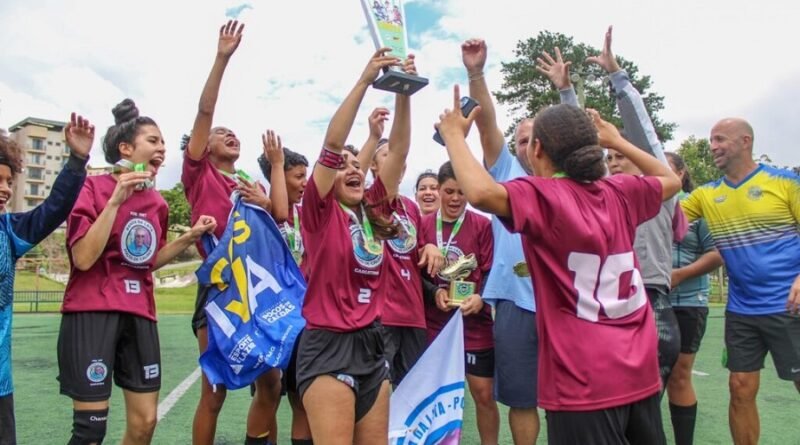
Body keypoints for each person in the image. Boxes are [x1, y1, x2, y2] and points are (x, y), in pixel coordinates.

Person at [435, 84, 681, 443]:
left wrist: (454, 136)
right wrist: (617, 141)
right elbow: (671, 179)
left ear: (537, 149)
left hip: (583, 380)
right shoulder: (621, 190)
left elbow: (482, 193)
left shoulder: (544, 195)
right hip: (638, 367)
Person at [58, 99, 217, 445]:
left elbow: (147, 261)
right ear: (126, 149)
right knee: (90, 430)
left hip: (140, 313)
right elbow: (83, 258)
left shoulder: (157, 203)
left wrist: (190, 237)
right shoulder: (93, 188)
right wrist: (116, 199)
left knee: (145, 422)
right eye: (153, 140)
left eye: (163, 143)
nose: (162, 148)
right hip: (92, 311)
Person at [297, 48, 426, 444]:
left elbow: (398, 150)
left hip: (372, 342)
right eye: (342, 166)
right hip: (327, 345)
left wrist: (404, 90)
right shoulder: (319, 214)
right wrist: (364, 81)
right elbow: (332, 144)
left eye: (357, 165)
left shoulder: (374, 211)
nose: (352, 168)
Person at [182, 21, 285, 445]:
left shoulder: (249, 183)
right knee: (214, 392)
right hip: (221, 292)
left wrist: (268, 196)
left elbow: (280, 220)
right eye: (221, 134)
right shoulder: (199, 174)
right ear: (204, 147)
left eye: (234, 132)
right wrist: (222, 58)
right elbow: (205, 113)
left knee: (271, 384)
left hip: (256, 292)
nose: (230, 135)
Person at [680, 117, 800, 445]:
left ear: (745, 141)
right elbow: (664, 218)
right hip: (742, 310)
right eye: (711, 140)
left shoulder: (785, 183)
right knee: (739, 387)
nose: (713, 147)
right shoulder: (706, 195)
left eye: (720, 139)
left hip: (789, 305)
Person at [582, 26, 684, 388]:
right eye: (608, 158)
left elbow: (645, 135)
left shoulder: (660, 191)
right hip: (608, 299)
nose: (613, 162)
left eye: (620, 155)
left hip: (650, 297)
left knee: (645, 404)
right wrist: (566, 92)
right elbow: (580, 150)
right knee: (610, 398)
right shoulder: (608, 196)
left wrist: (616, 75)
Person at [461, 38, 540, 444]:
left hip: (567, 300)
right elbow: (488, 126)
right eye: (522, 140)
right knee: (522, 401)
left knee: (573, 399)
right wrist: (476, 73)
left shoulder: (572, 180)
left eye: (536, 138)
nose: (530, 145)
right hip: (514, 301)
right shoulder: (507, 170)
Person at [0, 113, 90, 445]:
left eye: (9, 181)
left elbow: (52, 209)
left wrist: (76, 160)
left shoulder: (8, 232)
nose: (5, 190)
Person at [355, 105, 444, 387]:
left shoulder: (410, 207)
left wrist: (429, 247)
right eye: (388, 155)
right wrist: (374, 137)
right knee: (377, 388)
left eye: (401, 160)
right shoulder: (369, 202)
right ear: (373, 165)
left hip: (414, 315)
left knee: (413, 389)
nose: (398, 162)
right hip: (383, 314)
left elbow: (418, 251)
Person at [421, 161, 498, 445]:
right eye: (449, 191)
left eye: (461, 192)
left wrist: (481, 297)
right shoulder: (423, 225)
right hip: (435, 326)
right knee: (434, 395)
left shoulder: (482, 225)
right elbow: (413, 275)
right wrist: (433, 292)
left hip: (474, 325)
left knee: (483, 394)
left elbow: (491, 270)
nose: (455, 198)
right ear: (439, 190)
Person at [663, 152, 723, 445]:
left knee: (679, 375)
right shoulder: (640, 202)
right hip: (647, 302)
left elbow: (717, 253)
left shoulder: (698, 206)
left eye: (666, 167)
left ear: (681, 174)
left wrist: (680, 275)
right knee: (644, 379)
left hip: (689, 301)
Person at [258, 137, 313, 445]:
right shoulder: (259, 208)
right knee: (268, 394)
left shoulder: (307, 215)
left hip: (301, 317)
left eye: (306, 176)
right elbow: (277, 213)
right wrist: (276, 164)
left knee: (300, 394)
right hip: (270, 316)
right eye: (299, 176)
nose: (305, 183)